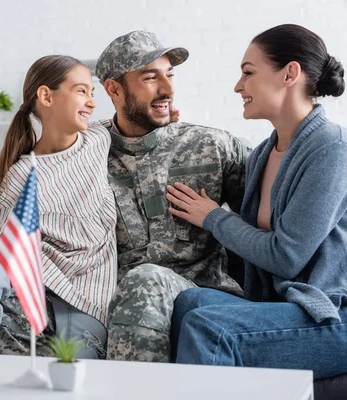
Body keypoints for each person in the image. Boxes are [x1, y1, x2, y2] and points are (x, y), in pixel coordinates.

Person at [168, 24, 347, 378]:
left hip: (329, 314)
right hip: (283, 308)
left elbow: (286, 256)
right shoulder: (264, 153)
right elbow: (250, 248)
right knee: (188, 303)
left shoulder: (331, 148)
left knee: (209, 326)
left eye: (248, 73)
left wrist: (214, 218)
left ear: (289, 73)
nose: (238, 86)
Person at [95, 31, 251, 362]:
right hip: (116, 296)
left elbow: (273, 219)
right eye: (151, 78)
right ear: (113, 89)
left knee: (145, 279)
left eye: (170, 75)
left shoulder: (212, 145)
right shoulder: (89, 152)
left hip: (204, 293)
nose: (168, 89)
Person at [0, 55, 117, 358]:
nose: (92, 102)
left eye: (92, 93)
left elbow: (137, 120)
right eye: (82, 91)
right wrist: (2, 244)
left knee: (71, 379)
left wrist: (167, 116)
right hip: (37, 293)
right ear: (46, 96)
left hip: (87, 302)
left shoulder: (99, 138)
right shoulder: (21, 174)